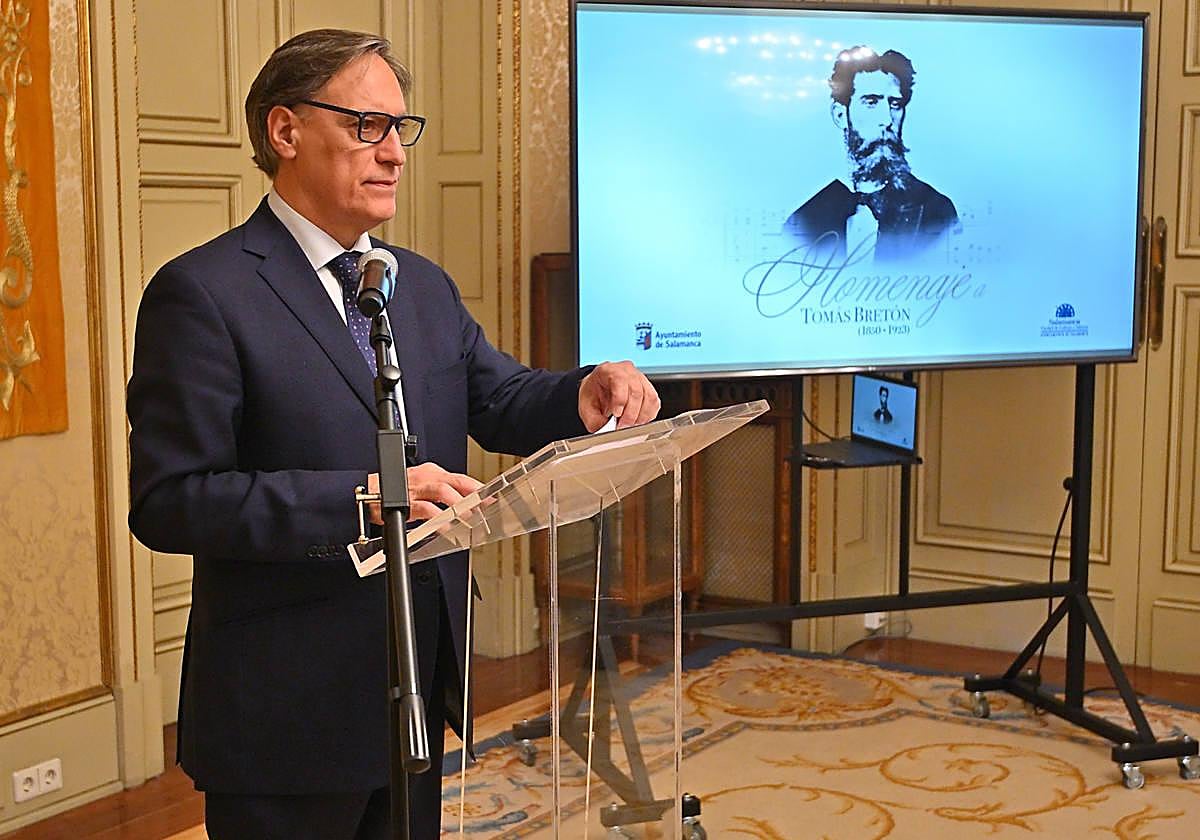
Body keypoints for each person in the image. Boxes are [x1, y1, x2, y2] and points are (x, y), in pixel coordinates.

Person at [126, 29, 659, 840]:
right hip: (285, 711)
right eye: (366, 125)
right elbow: (170, 502)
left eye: (400, 129)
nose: (395, 154)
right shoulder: (202, 293)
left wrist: (582, 394)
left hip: (414, 681)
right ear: (285, 131)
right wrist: (363, 499)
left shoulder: (418, 285)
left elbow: (501, 396)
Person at [783, 46, 959, 263]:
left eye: (895, 104)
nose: (886, 119)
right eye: (871, 102)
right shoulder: (805, 220)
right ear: (840, 115)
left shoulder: (936, 212)